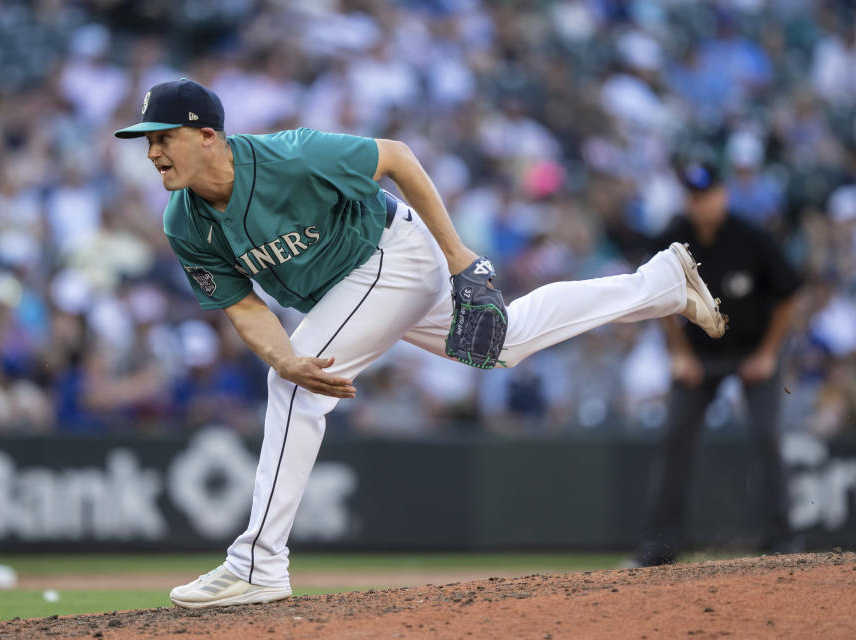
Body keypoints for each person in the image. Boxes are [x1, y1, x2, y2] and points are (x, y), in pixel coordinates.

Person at [113, 78, 727, 608]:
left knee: (294, 390)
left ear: (208, 136)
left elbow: (399, 158)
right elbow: (241, 304)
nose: (152, 151)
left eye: (164, 136)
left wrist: (461, 258)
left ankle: (258, 565)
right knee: (502, 342)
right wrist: (285, 355)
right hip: (359, 285)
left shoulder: (289, 157)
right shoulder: (184, 221)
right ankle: (662, 282)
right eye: (148, 139)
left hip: (391, 254)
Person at [636, 163, 802, 567]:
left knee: (767, 436)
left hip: (752, 351)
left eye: (706, 195)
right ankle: (660, 548)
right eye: (692, 196)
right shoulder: (673, 241)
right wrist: (678, 353)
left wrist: (767, 353)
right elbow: (652, 298)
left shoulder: (752, 238)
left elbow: (788, 295)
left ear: (722, 195)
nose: (699, 204)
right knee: (676, 438)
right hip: (700, 356)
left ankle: (781, 542)